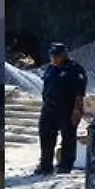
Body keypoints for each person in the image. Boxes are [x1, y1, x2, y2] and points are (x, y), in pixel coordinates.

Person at [37, 42, 87, 175]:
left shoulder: (75, 69)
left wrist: (77, 110)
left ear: (64, 55)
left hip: (67, 109)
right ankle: (45, 165)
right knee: (46, 137)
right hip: (49, 109)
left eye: (57, 56)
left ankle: (65, 166)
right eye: (52, 56)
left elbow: (79, 93)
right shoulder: (50, 68)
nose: (54, 58)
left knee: (68, 138)